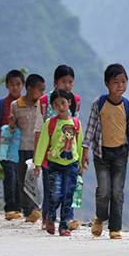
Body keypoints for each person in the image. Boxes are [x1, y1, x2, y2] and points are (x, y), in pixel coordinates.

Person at [82, 63, 129, 240]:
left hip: (121, 154)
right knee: (103, 189)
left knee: (117, 191)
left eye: (124, 81)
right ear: (107, 84)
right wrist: (85, 150)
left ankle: (115, 228)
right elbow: (90, 128)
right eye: (116, 82)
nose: (120, 86)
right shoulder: (99, 104)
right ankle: (100, 217)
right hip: (101, 154)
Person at [35, 89, 84, 236]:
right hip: (54, 164)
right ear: (52, 107)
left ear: (69, 102)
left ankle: (64, 226)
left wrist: (81, 163)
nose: (61, 107)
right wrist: (38, 163)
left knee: (68, 194)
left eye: (63, 103)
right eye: (56, 104)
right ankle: (50, 216)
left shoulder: (76, 123)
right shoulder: (50, 123)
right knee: (55, 194)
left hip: (72, 164)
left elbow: (79, 143)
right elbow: (43, 143)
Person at [9, 73, 46, 223]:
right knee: (22, 179)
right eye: (40, 90)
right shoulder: (16, 105)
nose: (42, 93)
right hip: (20, 148)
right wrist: (11, 124)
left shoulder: (42, 106)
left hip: (36, 148)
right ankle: (28, 210)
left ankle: (36, 208)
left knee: (36, 179)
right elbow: (12, 129)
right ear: (30, 89)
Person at [0, 70, 24, 219]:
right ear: (6, 86)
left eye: (18, 84)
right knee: (10, 175)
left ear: (23, 85)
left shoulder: (26, 103)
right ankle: (10, 207)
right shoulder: (2, 104)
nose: (15, 88)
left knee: (20, 176)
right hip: (5, 146)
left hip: (21, 146)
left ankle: (20, 208)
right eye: (12, 85)